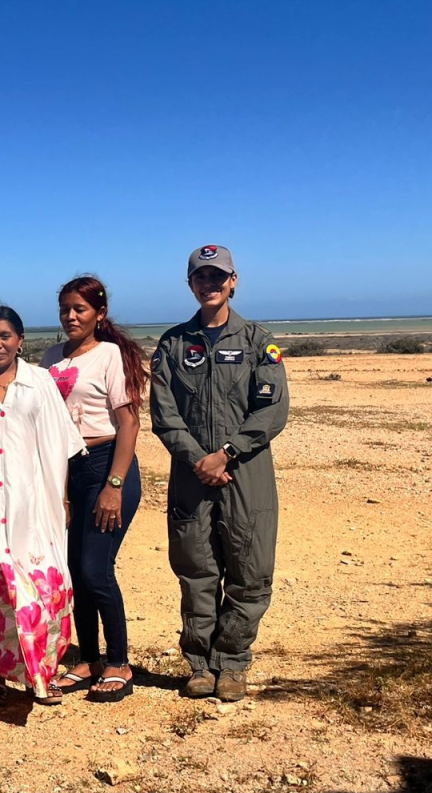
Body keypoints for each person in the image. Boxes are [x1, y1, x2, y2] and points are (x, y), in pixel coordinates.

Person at [149, 245, 289, 702]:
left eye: (218, 277)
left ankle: (232, 663)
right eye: (200, 278)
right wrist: (198, 459)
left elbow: (271, 411)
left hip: (245, 473)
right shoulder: (172, 345)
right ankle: (199, 665)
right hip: (192, 474)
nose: (209, 285)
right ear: (190, 284)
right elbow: (164, 415)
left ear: (234, 281)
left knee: (250, 569)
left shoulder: (257, 342)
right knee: (196, 569)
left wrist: (226, 453)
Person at [0, 303, 85, 705]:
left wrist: (62, 498)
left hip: (34, 504)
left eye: (5, 336)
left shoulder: (39, 382)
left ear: (20, 341)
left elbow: (60, 444)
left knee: (46, 587)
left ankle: (44, 671)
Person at [40, 276, 149, 703]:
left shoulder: (110, 356)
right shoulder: (51, 358)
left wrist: (114, 486)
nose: (71, 316)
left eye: (80, 309)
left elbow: (129, 423)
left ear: (99, 314)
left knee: (95, 570)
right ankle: (88, 659)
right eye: (65, 309)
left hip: (107, 464)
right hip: (67, 468)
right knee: (73, 572)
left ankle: (119, 662)